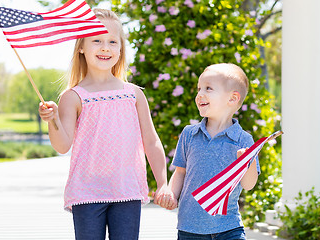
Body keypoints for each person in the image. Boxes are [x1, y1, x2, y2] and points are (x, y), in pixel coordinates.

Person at [38, 9, 170, 240]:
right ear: (81, 46)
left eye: (112, 41)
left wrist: (163, 183)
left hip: (127, 190)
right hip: (87, 193)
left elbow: (151, 140)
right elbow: (62, 145)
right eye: (96, 40)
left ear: (120, 49)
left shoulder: (134, 94)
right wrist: (53, 121)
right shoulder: (73, 97)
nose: (105, 47)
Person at [158, 63, 260, 239]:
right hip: (190, 228)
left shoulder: (243, 140)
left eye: (208, 88)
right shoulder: (190, 134)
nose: (200, 94)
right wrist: (172, 195)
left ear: (232, 98)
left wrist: (246, 163)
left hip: (229, 227)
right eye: (199, 89)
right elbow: (181, 171)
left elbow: (248, 185)